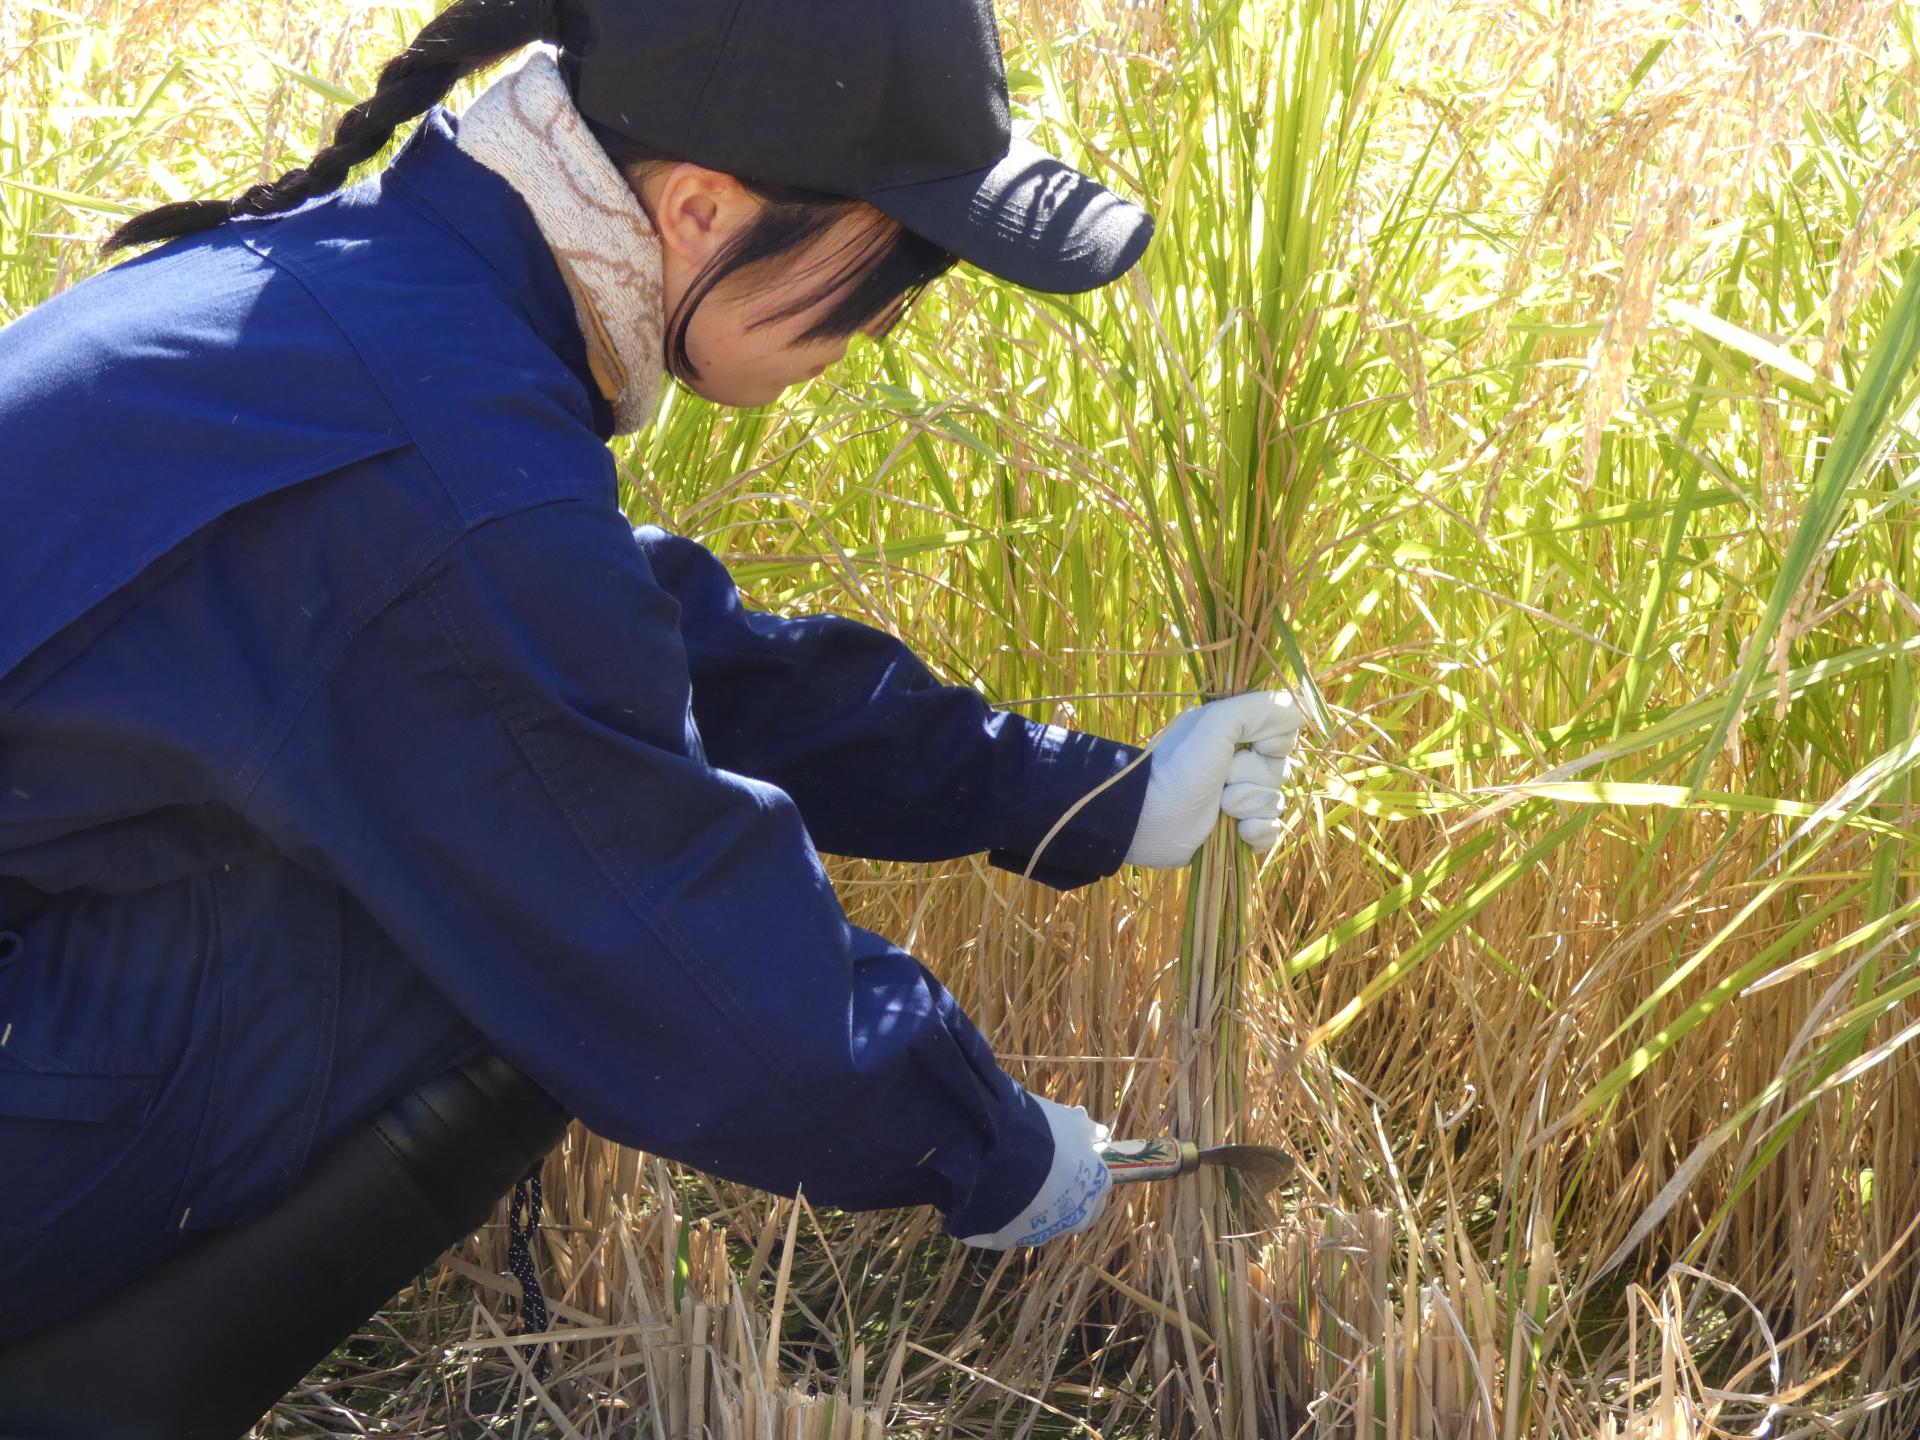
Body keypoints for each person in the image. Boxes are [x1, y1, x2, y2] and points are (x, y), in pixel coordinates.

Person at [0, 0, 1302, 1427]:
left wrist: (1084, 794)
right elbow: (660, 926)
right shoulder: (436, 472)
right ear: (698, 206)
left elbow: (638, 655)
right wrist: (987, 1146)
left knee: (488, 870)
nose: (885, 326)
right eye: (893, 267)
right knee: (517, 950)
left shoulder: (377, 315)